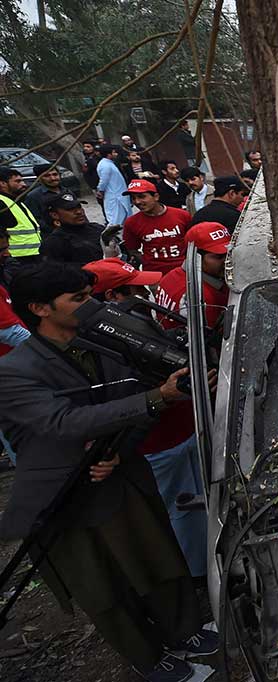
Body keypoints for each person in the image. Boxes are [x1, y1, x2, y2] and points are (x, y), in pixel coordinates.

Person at [0, 262, 217, 682]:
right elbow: (61, 424)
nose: (91, 306)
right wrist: (158, 396)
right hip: (63, 496)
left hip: (120, 475)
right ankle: (147, 657)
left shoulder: (102, 341)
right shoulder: (15, 371)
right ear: (40, 308)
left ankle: (184, 630)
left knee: (157, 556)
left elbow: (132, 401)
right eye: (78, 300)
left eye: (91, 295)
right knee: (103, 585)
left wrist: (120, 451)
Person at [85, 256, 209, 578]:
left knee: (200, 503)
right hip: (160, 444)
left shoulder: (134, 326)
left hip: (183, 431)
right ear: (111, 298)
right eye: (135, 289)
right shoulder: (112, 343)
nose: (147, 294)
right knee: (181, 511)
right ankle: (196, 574)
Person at [154, 221, 230, 330]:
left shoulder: (170, 276)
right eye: (218, 257)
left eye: (229, 253)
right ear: (195, 257)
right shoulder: (202, 298)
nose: (227, 260)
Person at [121, 179, 192, 274]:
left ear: (156, 197)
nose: (137, 202)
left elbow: (193, 242)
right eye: (133, 198)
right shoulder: (131, 223)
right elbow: (132, 249)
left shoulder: (182, 215)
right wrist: (147, 261)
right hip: (155, 275)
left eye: (141, 197)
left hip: (185, 271)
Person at [39, 193, 105, 265]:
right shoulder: (54, 243)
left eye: (79, 207)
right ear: (55, 215)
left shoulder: (98, 229)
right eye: (70, 209)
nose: (79, 212)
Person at [0, 167, 43, 265]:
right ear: (3, 183)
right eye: (17, 181)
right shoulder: (2, 202)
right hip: (18, 258)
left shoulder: (15, 200)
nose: (23, 184)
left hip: (32, 254)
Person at [0, 229, 29, 357]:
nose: (7, 254)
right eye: (0, 250)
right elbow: (11, 333)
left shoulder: (7, 269)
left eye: (7, 248)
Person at [95, 144, 132, 226]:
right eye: (114, 152)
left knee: (125, 220)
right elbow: (103, 181)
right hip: (115, 197)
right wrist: (100, 191)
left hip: (119, 196)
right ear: (109, 154)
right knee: (116, 221)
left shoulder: (110, 164)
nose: (116, 154)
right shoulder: (105, 165)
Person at [24, 163, 64, 232]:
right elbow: (35, 219)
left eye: (55, 174)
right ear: (39, 178)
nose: (53, 178)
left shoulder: (66, 191)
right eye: (47, 176)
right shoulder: (33, 196)